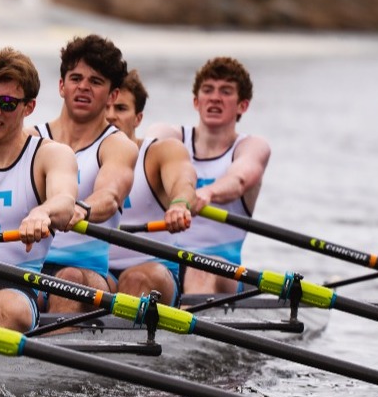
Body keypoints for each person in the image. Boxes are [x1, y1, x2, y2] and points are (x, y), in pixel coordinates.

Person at [0, 47, 77, 332]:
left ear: (29, 107)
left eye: (8, 103)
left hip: (14, 286)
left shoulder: (50, 155)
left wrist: (43, 213)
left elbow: (65, 200)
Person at [145, 56, 272, 294]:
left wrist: (206, 193)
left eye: (226, 91)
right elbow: (149, 145)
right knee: (138, 273)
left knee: (201, 268)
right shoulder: (171, 135)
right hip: (165, 262)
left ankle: (185, 329)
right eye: (208, 90)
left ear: (243, 105)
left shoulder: (252, 147)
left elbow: (239, 180)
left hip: (221, 268)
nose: (215, 97)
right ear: (196, 101)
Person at [33, 34, 138, 309]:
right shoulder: (32, 139)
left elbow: (110, 195)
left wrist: (79, 209)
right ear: (61, 85)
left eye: (96, 81)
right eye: (76, 78)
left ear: (112, 95)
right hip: (27, 267)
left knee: (68, 279)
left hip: (86, 272)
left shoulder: (117, 146)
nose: (83, 87)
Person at [106, 69, 197, 301]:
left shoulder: (159, 152)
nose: (110, 116)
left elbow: (182, 181)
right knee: (71, 279)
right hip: (98, 272)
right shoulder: (74, 155)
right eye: (105, 107)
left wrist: (179, 204)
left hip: (153, 271)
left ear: (138, 118)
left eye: (121, 108)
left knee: (135, 280)